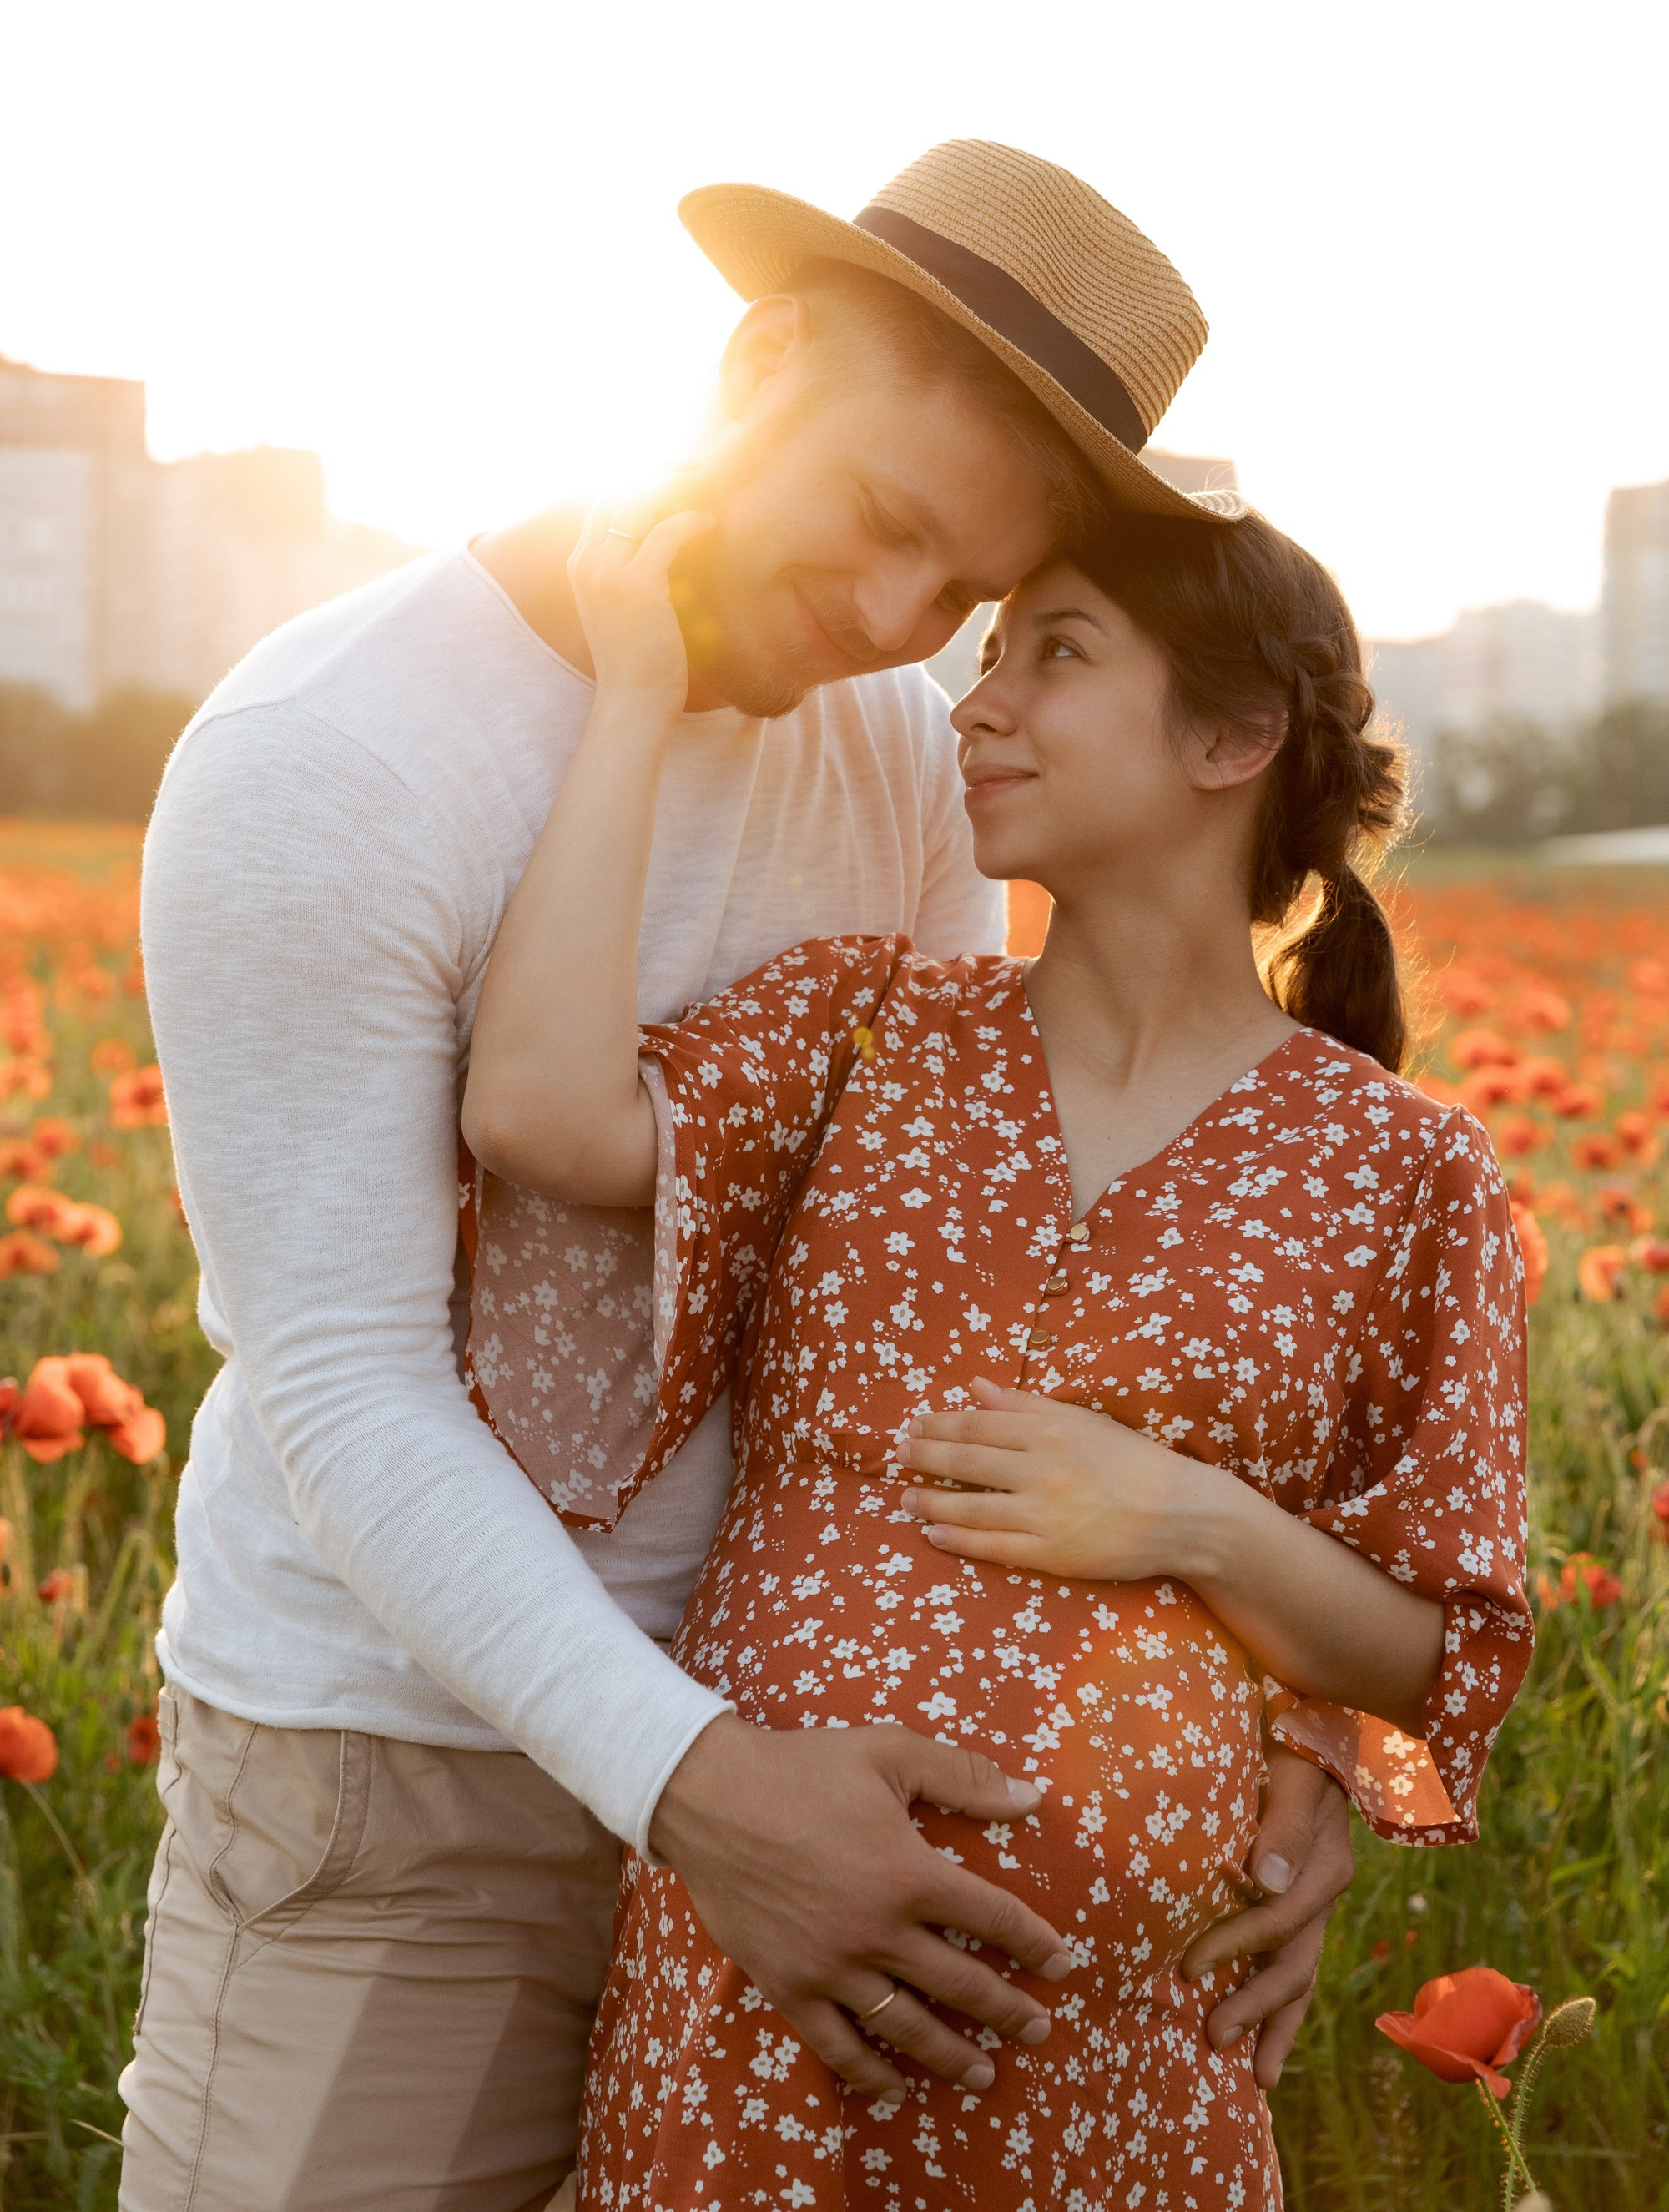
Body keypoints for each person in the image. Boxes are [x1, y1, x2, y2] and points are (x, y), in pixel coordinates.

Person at [126, 141, 1351, 2212]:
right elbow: (343, 1380)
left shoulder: (898, 747)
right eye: (880, 524)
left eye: (963, 593)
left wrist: (1274, 1736)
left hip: (841, 1769)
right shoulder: (331, 755)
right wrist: (694, 1785)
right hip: (407, 1794)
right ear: (759, 360)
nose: (892, 623)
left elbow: (971, 1289)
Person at [460, 501, 1533, 2208]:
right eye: (985, 659)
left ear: (1234, 736)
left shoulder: (1400, 1168)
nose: (979, 704)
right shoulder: (865, 1027)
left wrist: (1191, 1518)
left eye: (1058, 653)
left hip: (1127, 2062)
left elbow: (1435, 1648)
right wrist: (636, 694)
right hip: (760, 2008)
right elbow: (534, 1109)